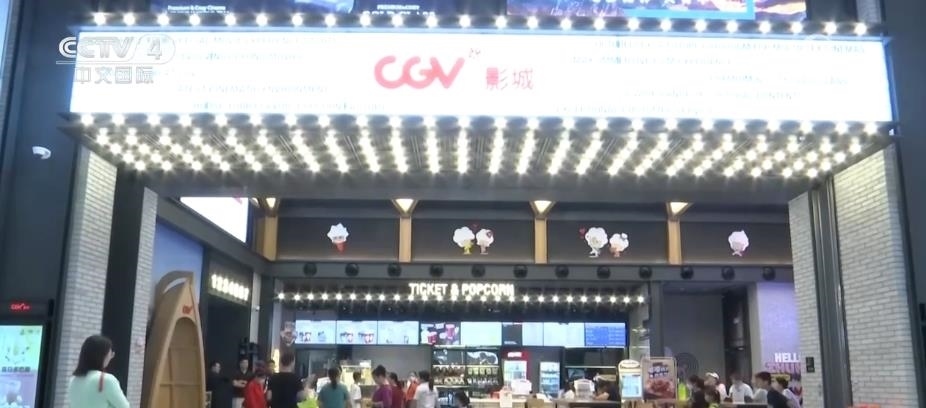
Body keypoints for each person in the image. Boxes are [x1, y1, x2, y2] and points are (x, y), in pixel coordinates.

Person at [66, 335, 130, 408]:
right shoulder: (107, 380)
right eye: (110, 353)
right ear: (102, 355)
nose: (111, 357)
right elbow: (124, 406)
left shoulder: (74, 379)